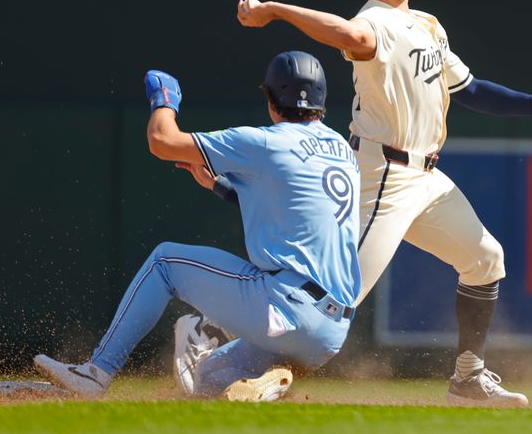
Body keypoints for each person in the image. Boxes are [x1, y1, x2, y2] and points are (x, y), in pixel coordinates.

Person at [181, 0, 532, 407]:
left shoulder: (427, 25)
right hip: (384, 176)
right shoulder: (373, 22)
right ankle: (211, 350)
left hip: (426, 178)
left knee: (486, 259)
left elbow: (473, 91)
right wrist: (274, 11)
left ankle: (468, 378)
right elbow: (347, 34)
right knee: (332, 303)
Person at [34, 51, 361, 401]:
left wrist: (165, 98)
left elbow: (162, 141)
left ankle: (95, 373)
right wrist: (219, 186)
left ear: (270, 97)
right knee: (206, 380)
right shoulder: (340, 148)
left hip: (286, 304)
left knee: (164, 264)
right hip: (331, 330)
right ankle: (270, 385)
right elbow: (293, 206)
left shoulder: (267, 141)